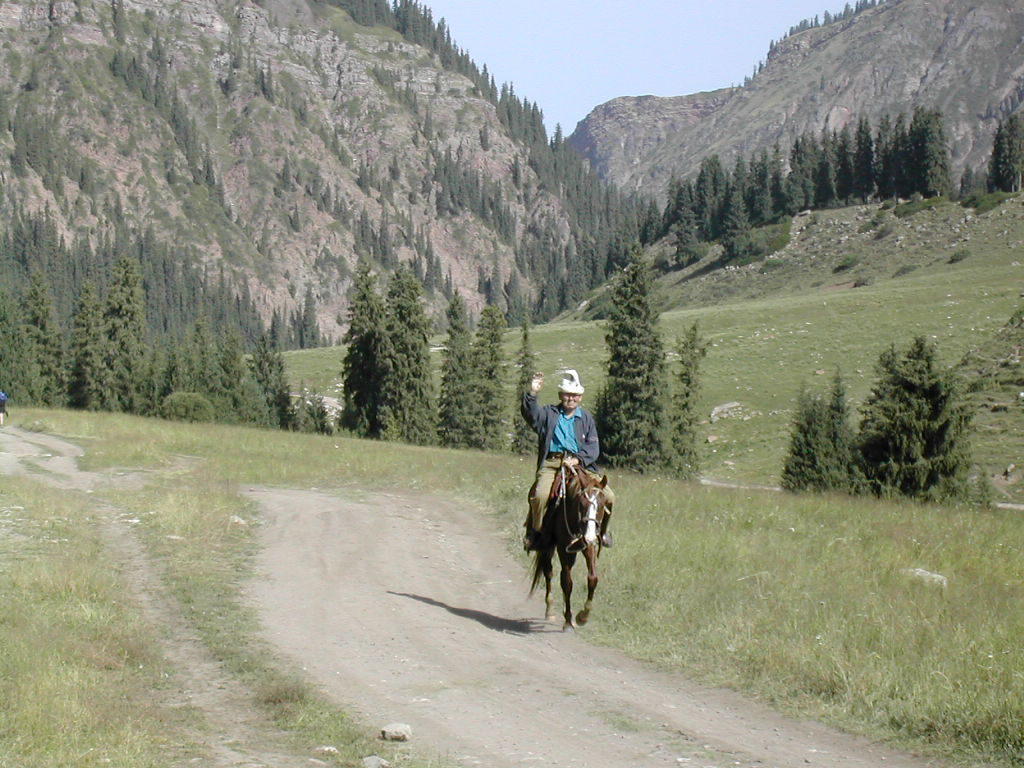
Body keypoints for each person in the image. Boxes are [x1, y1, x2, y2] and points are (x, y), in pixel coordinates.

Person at [520, 369, 614, 551]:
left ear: (580, 398)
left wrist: (578, 460)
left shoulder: (586, 418)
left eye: (575, 395)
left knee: (609, 496)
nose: (571, 398)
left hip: (580, 465)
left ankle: (602, 532)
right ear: (560, 395)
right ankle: (536, 533)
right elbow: (530, 415)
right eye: (567, 395)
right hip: (552, 463)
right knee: (539, 496)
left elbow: (593, 447)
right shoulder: (549, 413)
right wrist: (533, 393)